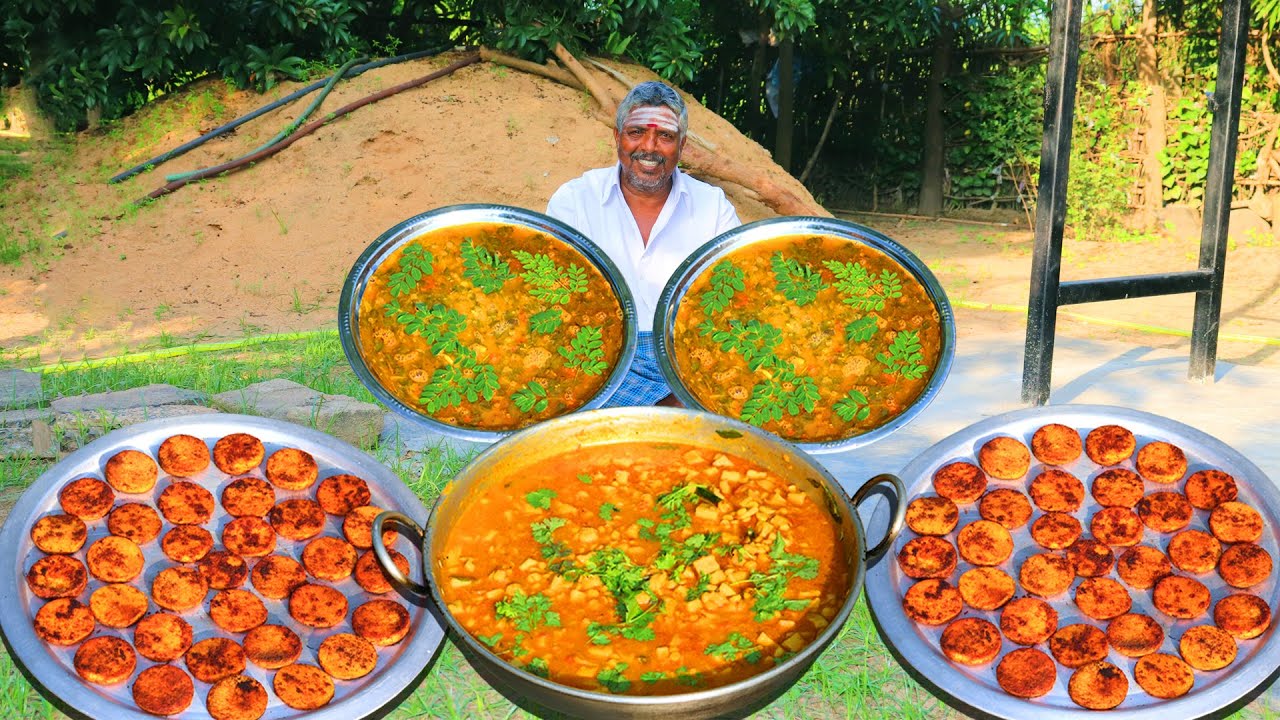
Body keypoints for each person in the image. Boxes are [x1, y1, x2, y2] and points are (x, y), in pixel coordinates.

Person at [546, 81, 741, 406]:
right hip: (598, 356)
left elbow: (731, 307)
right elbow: (556, 306)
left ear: (681, 146)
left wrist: (683, 390)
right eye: (636, 132)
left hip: (685, 359)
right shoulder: (575, 200)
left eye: (665, 136)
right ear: (617, 137)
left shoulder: (713, 207)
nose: (649, 147)